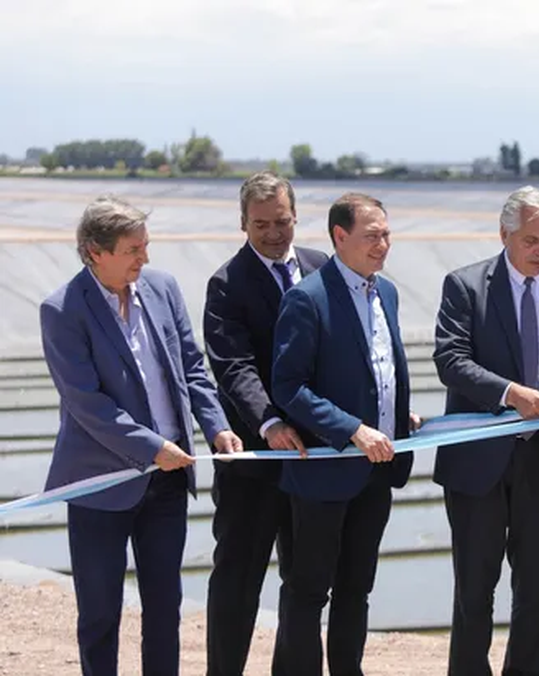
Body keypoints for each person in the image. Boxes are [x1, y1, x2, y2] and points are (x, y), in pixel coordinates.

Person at [39, 195, 241, 676]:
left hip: (168, 485)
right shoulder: (64, 310)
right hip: (100, 485)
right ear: (95, 251)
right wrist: (152, 448)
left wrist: (217, 427)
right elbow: (88, 403)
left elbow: (191, 367)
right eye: (133, 250)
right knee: (100, 612)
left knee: (164, 608)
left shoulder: (162, 288)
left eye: (145, 247)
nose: (144, 259)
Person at [432, 185, 539, 676]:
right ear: (504, 233)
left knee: (534, 588)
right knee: (474, 588)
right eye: (531, 240)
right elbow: (450, 360)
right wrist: (511, 393)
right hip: (478, 462)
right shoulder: (466, 286)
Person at [271, 192, 416, 676]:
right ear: (339, 236)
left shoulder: (386, 292)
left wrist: (397, 417)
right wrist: (352, 429)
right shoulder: (307, 298)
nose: (383, 245)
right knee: (309, 589)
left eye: (387, 234)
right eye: (372, 236)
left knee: (357, 587)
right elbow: (289, 386)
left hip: (376, 470)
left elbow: (381, 371)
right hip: (325, 472)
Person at [202, 172, 329, 676]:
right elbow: (234, 367)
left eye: (281, 222)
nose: (274, 234)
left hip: (314, 458)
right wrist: (270, 422)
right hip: (254, 463)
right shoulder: (227, 283)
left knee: (305, 582)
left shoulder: (323, 270)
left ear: (295, 216)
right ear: (242, 224)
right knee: (238, 576)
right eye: (261, 225)